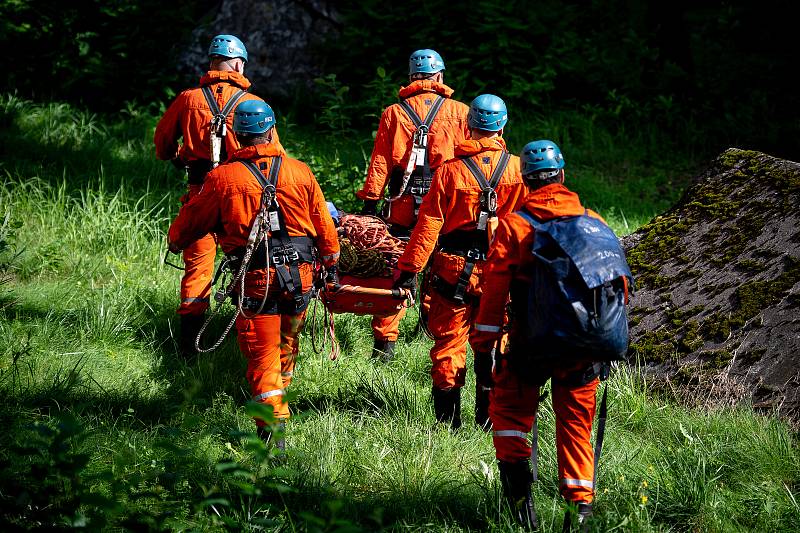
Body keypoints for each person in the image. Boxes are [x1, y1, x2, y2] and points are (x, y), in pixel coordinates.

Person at [167, 99, 339, 450]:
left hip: (257, 282)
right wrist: (332, 261)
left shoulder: (221, 179)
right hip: (300, 279)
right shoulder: (300, 172)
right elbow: (325, 227)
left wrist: (175, 240)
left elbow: (186, 227)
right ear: (272, 129)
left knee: (263, 359)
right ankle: (279, 400)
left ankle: (272, 441)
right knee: (286, 344)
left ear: (236, 136)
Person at [471, 140, 610, 530]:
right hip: (583, 345)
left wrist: (484, 349)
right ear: (563, 175)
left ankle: (521, 513)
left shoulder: (515, 226)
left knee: (511, 416)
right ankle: (577, 515)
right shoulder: (594, 221)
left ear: (525, 181)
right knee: (576, 426)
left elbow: (494, 296)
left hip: (529, 345)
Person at [393, 94, 525, 429]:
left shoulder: (450, 172)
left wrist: (409, 270)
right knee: (495, 340)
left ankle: (448, 424)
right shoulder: (517, 170)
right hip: (501, 271)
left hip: (454, 270)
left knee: (449, 344)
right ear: (503, 125)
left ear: (468, 126)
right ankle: (488, 419)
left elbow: (429, 224)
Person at [154, 34, 265, 357]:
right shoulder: (250, 103)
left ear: (212, 62)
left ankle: (188, 350)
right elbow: (272, 156)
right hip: (240, 197)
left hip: (200, 192)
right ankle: (249, 338)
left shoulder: (188, 99)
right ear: (239, 63)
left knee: (198, 268)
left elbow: (162, 143)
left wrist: (176, 155)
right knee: (247, 261)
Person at [356, 49, 470, 361]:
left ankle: (385, 345)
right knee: (439, 268)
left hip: (402, 205)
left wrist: (370, 203)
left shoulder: (394, 113)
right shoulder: (461, 112)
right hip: (444, 207)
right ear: (440, 77)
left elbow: (381, 160)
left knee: (396, 267)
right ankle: (430, 329)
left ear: (410, 78)